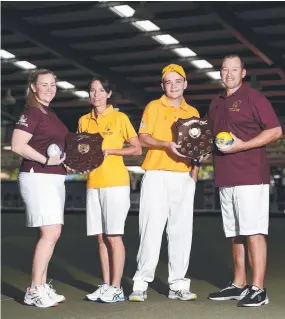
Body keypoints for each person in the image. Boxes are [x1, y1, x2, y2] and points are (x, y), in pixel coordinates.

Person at [208, 54, 283, 307]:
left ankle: (258, 288)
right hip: (225, 176)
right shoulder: (215, 103)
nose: (228, 74)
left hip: (250, 175)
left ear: (243, 72)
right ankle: (238, 284)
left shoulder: (254, 97)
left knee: (253, 231)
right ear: (220, 73)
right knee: (235, 233)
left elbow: (275, 130)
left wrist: (243, 146)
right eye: (224, 69)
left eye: (234, 69)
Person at [129, 64, 200, 302]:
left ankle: (178, 284)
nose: (173, 86)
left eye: (177, 81)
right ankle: (140, 283)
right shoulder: (153, 106)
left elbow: (197, 148)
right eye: (168, 82)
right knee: (150, 229)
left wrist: (193, 176)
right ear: (163, 85)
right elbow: (143, 138)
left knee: (181, 232)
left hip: (183, 176)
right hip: (156, 175)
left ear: (185, 84)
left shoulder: (193, 112)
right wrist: (167, 145)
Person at [78, 77, 142, 303]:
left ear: (109, 94)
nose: (96, 95)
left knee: (114, 236)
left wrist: (111, 151)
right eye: (92, 91)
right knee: (100, 238)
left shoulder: (120, 117)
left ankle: (117, 287)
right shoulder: (83, 121)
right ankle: (106, 285)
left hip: (116, 183)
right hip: (93, 184)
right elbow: (82, 152)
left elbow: (136, 148)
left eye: (100, 90)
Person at [11, 69, 68, 308]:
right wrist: (45, 161)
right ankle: (34, 289)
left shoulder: (49, 112)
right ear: (33, 87)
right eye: (44, 84)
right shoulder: (31, 111)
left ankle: (42, 285)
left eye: (53, 84)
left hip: (54, 178)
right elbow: (17, 144)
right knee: (50, 233)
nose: (49, 88)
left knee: (52, 233)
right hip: (38, 177)